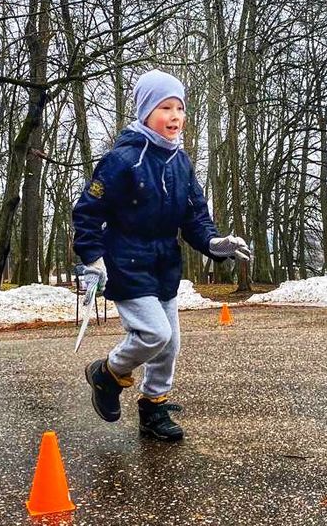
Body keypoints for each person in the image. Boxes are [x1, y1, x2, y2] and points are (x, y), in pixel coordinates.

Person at [72, 69, 250, 442]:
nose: (175, 116)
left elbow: (195, 217)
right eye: (165, 107)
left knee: (169, 344)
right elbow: (88, 210)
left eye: (179, 108)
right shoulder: (123, 160)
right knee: (154, 333)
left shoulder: (181, 163)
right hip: (126, 259)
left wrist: (214, 243)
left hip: (164, 261)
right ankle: (107, 372)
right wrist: (91, 257)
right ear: (145, 112)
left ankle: (153, 407)